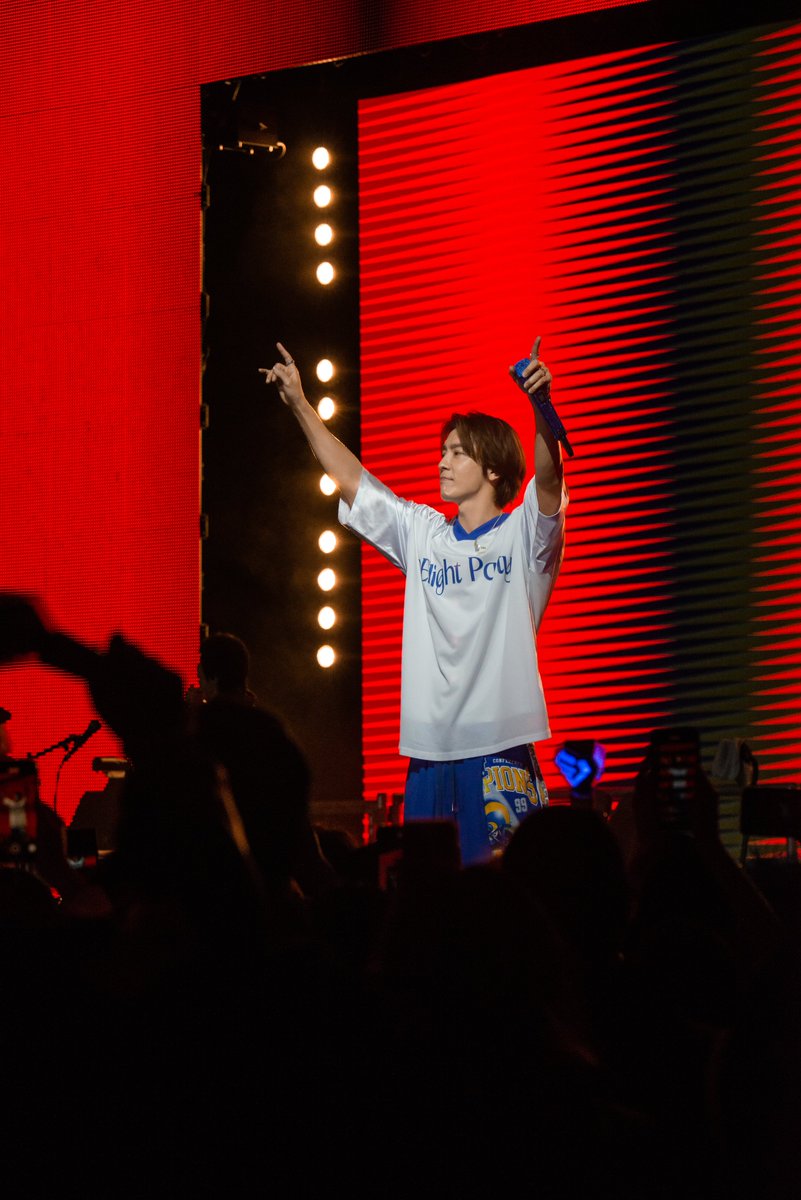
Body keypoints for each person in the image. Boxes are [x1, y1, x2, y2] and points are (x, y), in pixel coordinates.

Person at [262, 339, 566, 864]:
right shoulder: (424, 533)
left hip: (499, 748)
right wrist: (301, 405)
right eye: (443, 450)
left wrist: (541, 405)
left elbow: (549, 479)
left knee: (503, 888)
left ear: (494, 470)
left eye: (457, 452)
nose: (442, 461)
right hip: (429, 754)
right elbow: (353, 481)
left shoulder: (523, 536)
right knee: (427, 891)